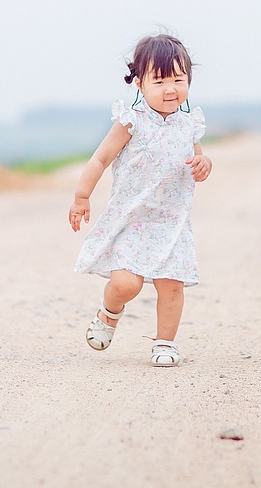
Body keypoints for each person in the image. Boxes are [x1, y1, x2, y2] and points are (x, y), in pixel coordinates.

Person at [69, 34, 212, 366]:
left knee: (172, 286)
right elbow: (100, 160)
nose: (170, 89)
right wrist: (81, 196)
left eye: (178, 79)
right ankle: (109, 312)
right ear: (138, 83)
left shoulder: (190, 125)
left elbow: (198, 161)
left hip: (171, 223)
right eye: (159, 81)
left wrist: (204, 165)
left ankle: (164, 343)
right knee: (126, 284)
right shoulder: (131, 121)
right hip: (132, 220)